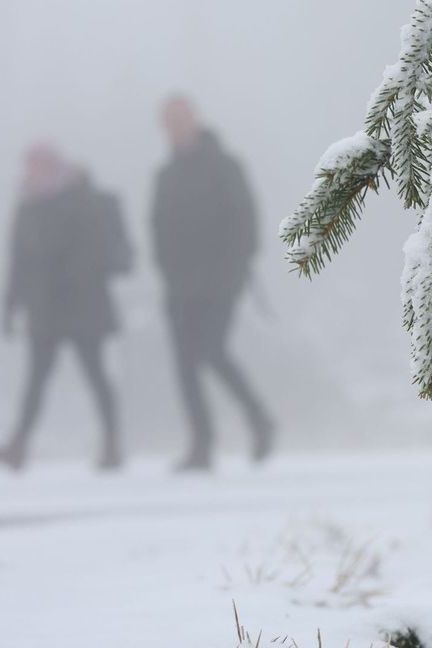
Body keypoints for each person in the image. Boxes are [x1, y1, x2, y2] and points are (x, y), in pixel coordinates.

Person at [0, 144, 132, 471]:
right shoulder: (28, 207)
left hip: (83, 306)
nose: (32, 170)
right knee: (36, 380)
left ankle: (112, 444)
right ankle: (19, 445)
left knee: (95, 376)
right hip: (45, 309)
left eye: (39, 164)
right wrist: (10, 306)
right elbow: (19, 262)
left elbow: (97, 250)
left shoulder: (83, 199)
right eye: (30, 164)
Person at [152, 95, 274, 471]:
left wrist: (234, 271)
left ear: (194, 120)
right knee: (185, 365)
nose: (175, 126)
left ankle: (258, 418)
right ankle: (201, 445)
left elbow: (246, 221)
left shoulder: (224, 166)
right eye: (168, 120)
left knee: (211, 350)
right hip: (179, 286)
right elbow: (157, 228)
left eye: (180, 118)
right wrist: (167, 271)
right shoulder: (166, 175)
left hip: (221, 282)